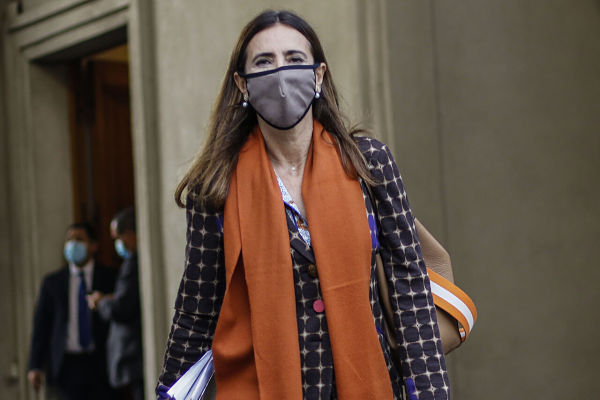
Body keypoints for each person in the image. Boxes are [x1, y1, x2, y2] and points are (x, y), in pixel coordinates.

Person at [158, 10, 450, 399]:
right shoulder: (215, 187)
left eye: (294, 59)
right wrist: (168, 391)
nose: (281, 73)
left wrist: (430, 391)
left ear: (318, 75)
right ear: (242, 84)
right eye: (264, 62)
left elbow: (409, 288)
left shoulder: (368, 163)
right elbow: (197, 311)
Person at [27, 222, 115, 400]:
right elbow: (41, 326)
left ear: (93, 246)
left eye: (79, 239)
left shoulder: (109, 277)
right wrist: (35, 365)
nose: (73, 244)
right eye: (69, 240)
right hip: (66, 366)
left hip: (100, 364)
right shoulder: (52, 283)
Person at [88, 208, 144, 400]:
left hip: (135, 356)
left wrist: (101, 302)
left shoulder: (133, 263)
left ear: (128, 235)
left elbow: (122, 309)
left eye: (117, 238)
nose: (117, 244)